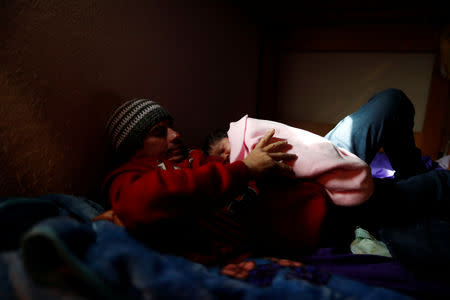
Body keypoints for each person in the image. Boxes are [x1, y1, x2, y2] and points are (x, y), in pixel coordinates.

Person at [98, 90, 450, 278]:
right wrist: (246, 169)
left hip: (315, 176)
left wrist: (269, 163)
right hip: (329, 212)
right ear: (134, 148)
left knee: (391, 102)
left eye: (171, 126)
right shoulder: (131, 180)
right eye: (160, 133)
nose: (175, 135)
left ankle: (411, 172)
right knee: (437, 188)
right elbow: (140, 203)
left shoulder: (195, 158)